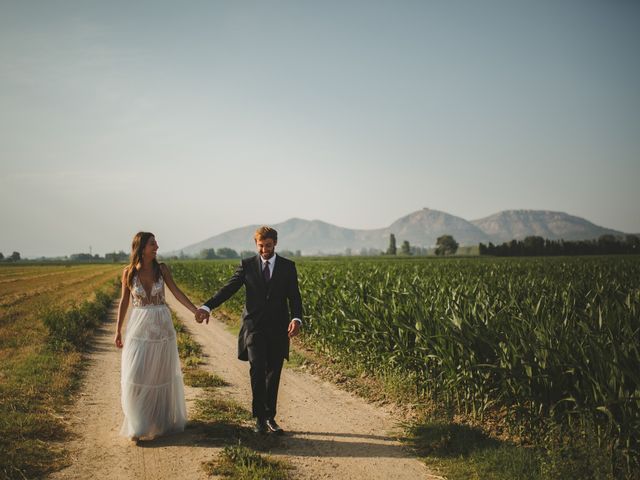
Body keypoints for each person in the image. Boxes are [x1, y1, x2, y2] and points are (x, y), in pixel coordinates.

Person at [195, 226, 303, 435]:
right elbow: (229, 288)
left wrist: (296, 319)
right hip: (253, 328)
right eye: (261, 246)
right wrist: (207, 306)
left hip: (278, 329)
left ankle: (271, 416)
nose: (264, 250)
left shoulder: (288, 267)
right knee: (257, 369)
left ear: (275, 244)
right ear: (256, 245)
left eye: (268, 246)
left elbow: (295, 296)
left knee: (273, 373)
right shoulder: (247, 266)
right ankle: (259, 419)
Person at [115, 231, 198, 443]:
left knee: (160, 374)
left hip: (162, 327)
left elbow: (177, 292)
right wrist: (117, 330)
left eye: (156, 243)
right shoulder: (129, 273)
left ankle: (159, 421)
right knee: (137, 373)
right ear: (141, 248)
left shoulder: (162, 270)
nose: (157, 246)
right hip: (139, 328)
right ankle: (137, 423)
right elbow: (124, 302)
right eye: (152, 244)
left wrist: (195, 310)